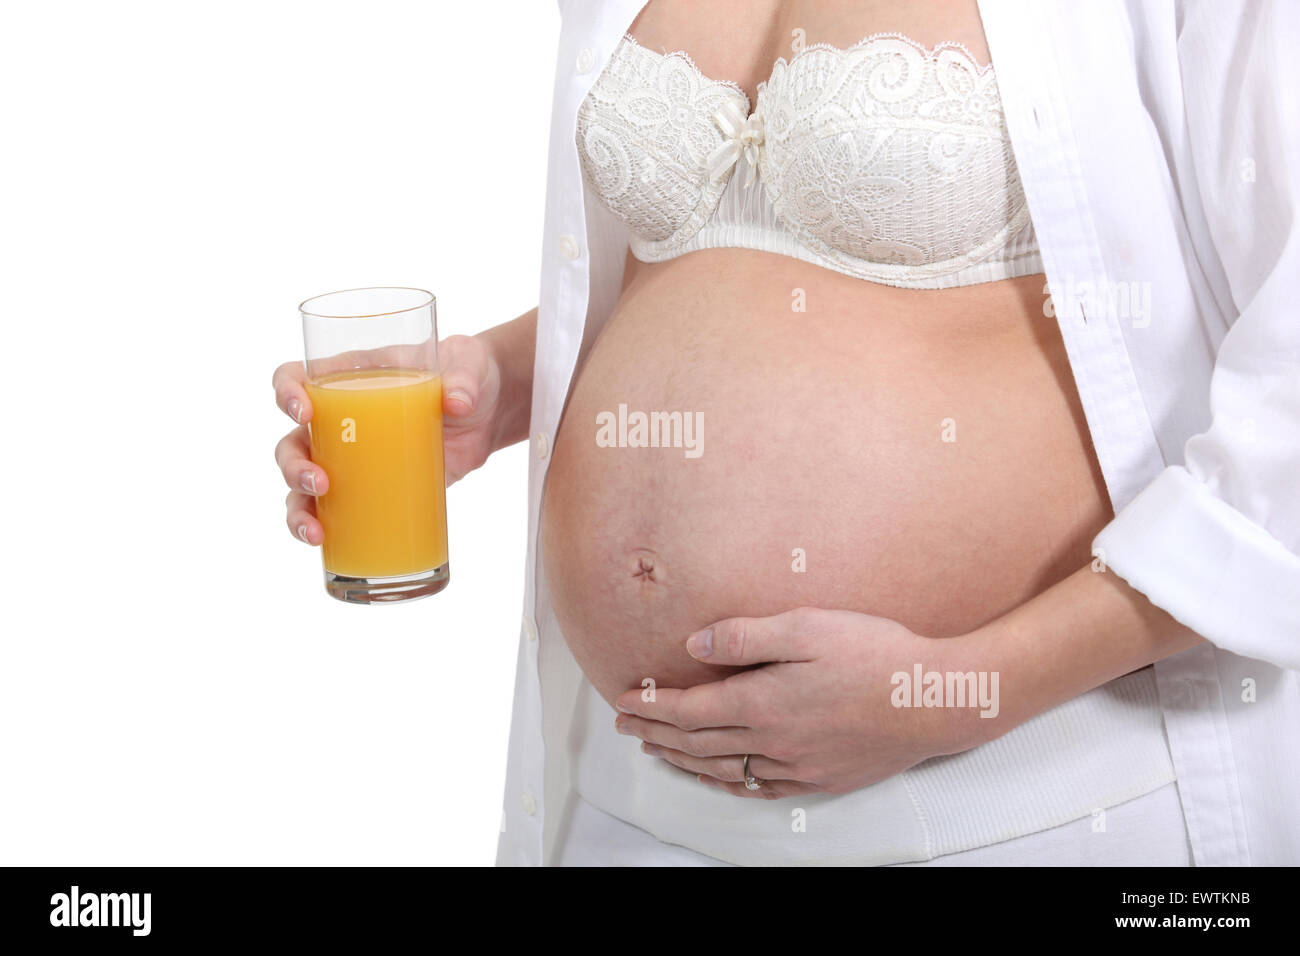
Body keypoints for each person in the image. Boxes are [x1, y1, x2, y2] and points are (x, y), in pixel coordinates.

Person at [273, 0, 1300, 865]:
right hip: (624, 800)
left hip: (1015, 799)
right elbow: (714, 255)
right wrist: (503, 379)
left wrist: (964, 690)